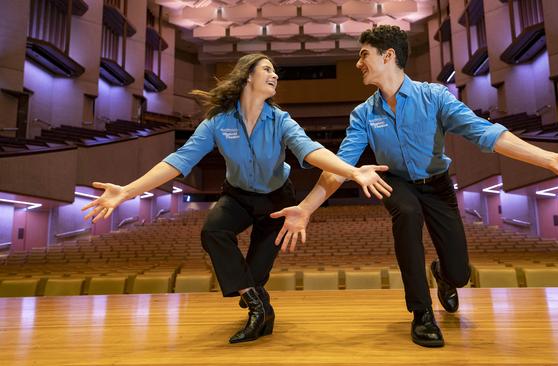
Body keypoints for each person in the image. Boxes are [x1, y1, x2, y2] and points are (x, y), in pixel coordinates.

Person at [270, 26, 558, 348]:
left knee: (460, 274)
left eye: (363, 55)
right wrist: (307, 208)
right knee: (406, 211)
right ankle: (421, 313)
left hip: (437, 185)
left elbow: (486, 133)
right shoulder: (363, 114)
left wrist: (550, 160)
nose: (358, 63)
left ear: (388, 56)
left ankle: (444, 275)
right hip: (397, 183)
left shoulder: (433, 97)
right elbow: (340, 169)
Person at [81, 53, 392, 344]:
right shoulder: (218, 122)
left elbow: (312, 151)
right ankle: (260, 309)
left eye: (275, 71)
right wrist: (127, 191)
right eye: (267, 69)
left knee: (254, 276)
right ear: (247, 78)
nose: (275, 75)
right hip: (238, 196)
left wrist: (353, 173)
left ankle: (259, 307)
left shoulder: (280, 120)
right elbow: (178, 161)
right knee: (213, 231)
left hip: (277, 201)